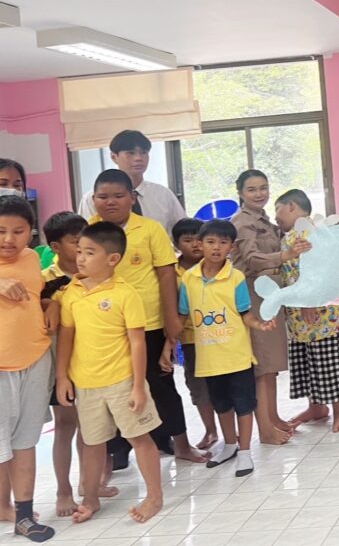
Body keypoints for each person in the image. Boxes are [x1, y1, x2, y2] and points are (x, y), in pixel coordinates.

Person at [90, 170, 206, 464]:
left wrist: (171, 318)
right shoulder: (88, 231)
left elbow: (166, 274)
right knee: (112, 388)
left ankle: (181, 444)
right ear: (93, 200)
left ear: (132, 198)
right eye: (103, 197)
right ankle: (116, 451)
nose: (111, 202)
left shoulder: (150, 229)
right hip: (105, 327)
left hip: (148, 322)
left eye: (118, 196)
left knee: (161, 385)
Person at [55, 221, 163, 525]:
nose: (80, 258)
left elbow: (137, 342)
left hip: (122, 382)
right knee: (92, 442)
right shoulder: (72, 292)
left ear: (113, 259)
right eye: (79, 251)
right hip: (86, 384)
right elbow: (66, 337)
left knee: (139, 437)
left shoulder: (126, 294)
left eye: (90, 253)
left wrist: (138, 385)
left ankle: (154, 496)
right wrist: (62, 376)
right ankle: (91, 498)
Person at [164, 219, 273, 477]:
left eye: (223, 243)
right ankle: (230, 445)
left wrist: (260, 324)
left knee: (244, 405)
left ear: (231, 247)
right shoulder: (189, 278)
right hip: (209, 359)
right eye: (210, 242)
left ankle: (245, 452)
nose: (216, 248)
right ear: (200, 244)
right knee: (221, 404)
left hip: (237, 356)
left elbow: (245, 313)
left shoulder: (235, 277)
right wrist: (168, 344)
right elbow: (182, 316)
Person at [230, 170, 308, 445]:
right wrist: (285, 255)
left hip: (270, 293)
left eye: (263, 188)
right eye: (252, 189)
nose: (259, 194)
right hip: (254, 292)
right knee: (262, 366)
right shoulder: (242, 222)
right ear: (240, 193)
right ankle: (264, 429)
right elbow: (252, 259)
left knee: (271, 364)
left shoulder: (264, 219)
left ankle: (272, 417)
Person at [275, 189, 339, 433]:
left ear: (291, 206)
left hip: (320, 312)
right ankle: (316, 406)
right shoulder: (291, 234)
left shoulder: (313, 231)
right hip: (299, 315)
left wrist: (311, 301)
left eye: (277, 209)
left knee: (328, 360)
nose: (275, 216)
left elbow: (322, 268)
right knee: (308, 361)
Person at [0, 195, 55, 542]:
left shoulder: (33, 258)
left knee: (25, 441)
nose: (9, 239)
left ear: (30, 232)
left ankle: (23, 515)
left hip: (35, 359)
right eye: (0, 231)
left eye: (18, 231)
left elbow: (37, 295)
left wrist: (52, 306)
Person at [38, 212, 101, 518]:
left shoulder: (96, 273)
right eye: (75, 242)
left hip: (93, 360)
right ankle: (63, 490)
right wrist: (50, 303)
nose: (81, 248)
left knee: (92, 426)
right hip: (57, 363)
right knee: (65, 425)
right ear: (55, 246)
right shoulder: (44, 280)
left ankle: (89, 484)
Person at [77, 130, 186, 235]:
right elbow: (85, 236)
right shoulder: (94, 198)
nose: (138, 158)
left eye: (143, 152)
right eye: (131, 153)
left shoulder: (163, 194)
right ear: (114, 157)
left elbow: (183, 232)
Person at [170, 218, 219, 450]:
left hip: (220, 336)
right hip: (190, 338)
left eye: (200, 239)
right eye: (188, 240)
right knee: (198, 387)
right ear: (176, 244)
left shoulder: (218, 266)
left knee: (223, 385)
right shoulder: (171, 272)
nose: (196, 245)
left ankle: (232, 431)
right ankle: (210, 430)